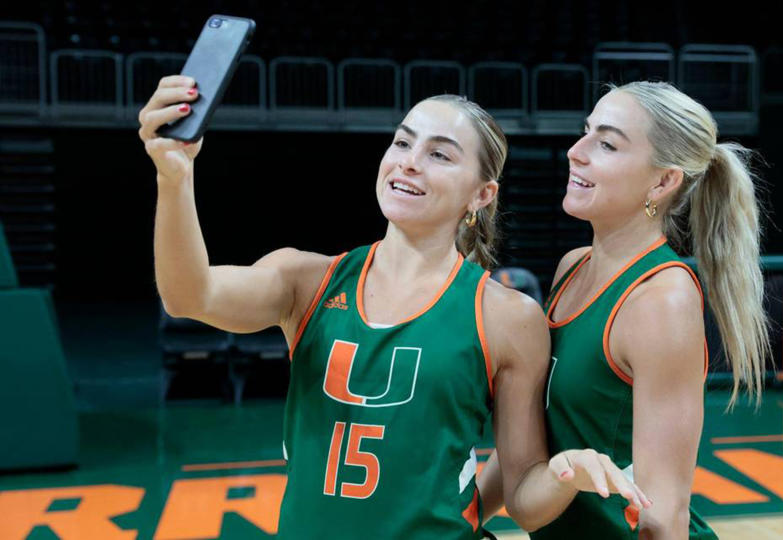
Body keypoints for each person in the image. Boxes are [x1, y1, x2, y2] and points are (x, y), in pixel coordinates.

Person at [138, 76, 649, 538]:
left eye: (439, 154)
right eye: (403, 141)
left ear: (481, 194)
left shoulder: (506, 316)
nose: (408, 160)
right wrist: (174, 177)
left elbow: (524, 502)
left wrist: (567, 473)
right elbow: (190, 296)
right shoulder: (306, 280)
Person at [479, 81, 769, 539]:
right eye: (586, 131)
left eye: (608, 144)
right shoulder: (572, 268)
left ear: (663, 181)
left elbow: (665, 513)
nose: (576, 151)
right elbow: (533, 447)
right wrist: (451, 518)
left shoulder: (661, 300)